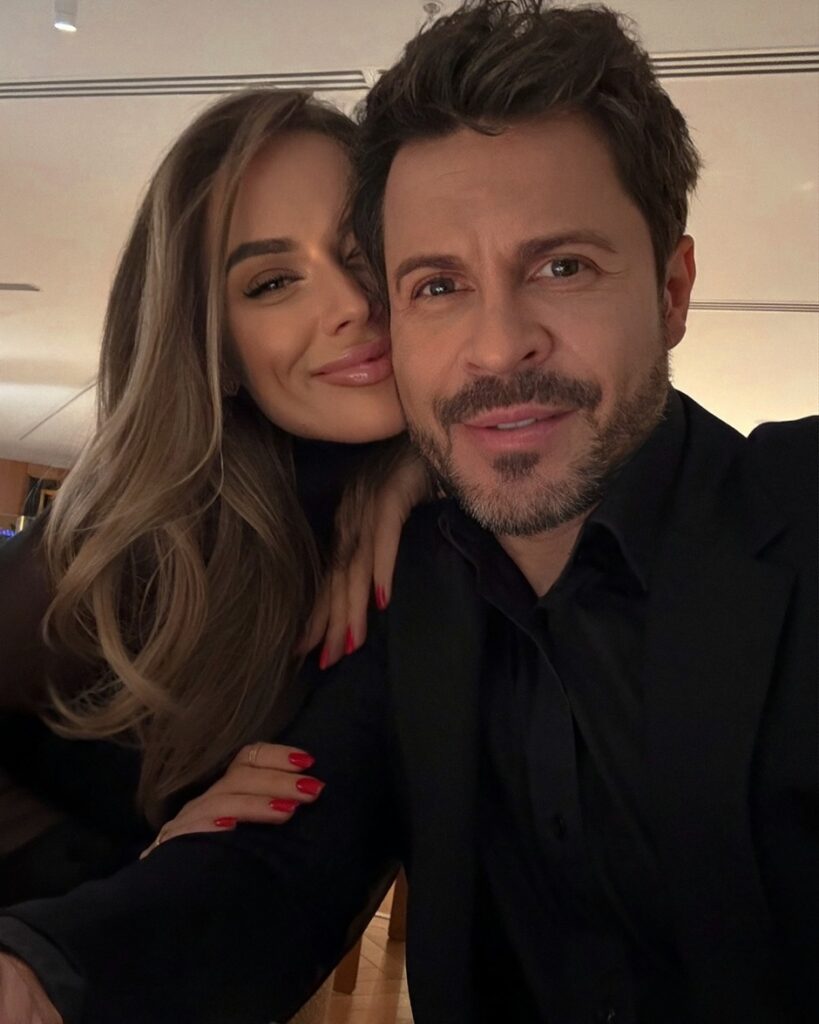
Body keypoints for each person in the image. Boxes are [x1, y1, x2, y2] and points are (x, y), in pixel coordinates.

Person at [1, 2, 817, 1022]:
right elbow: (283, 865)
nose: (498, 344)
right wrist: (47, 972)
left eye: (562, 266)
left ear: (672, 289)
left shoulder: (793, 508)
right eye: (437, 286)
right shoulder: (395, 585)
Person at [0, 86, 422, 1015]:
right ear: (217, 351)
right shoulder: (135, 543)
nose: (352, 304)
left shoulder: (430, 542)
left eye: (364, 251)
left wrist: (419, 465)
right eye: (272, 283)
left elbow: (314, 845)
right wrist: (92, 886)